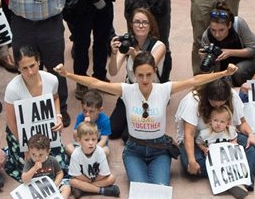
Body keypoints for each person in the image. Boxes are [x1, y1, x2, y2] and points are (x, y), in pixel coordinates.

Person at [56, 59, 237, 185]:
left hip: (159, 150)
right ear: (134, 74)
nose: (144, 80)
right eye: (140, 75)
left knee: (159, 189)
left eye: (149, 75)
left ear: (154, 73)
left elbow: (194, 80)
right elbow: (95, 82)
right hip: (134, 150)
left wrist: (224, 73)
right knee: (141, 190)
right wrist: (67, 74)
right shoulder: (126, 90)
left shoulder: (164, 89)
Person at [106, 6, 168, 139]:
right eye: (137, 22)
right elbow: (112, 72)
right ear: (131, 25)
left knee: (127, 137)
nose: (141, 25)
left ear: (150, 26)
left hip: (148, 92)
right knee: (112, 130)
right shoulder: (127, 43)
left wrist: (134, 54)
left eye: (145, 22)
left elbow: (147, 67)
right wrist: (113, 53)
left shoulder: (159, 46)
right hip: (131, 90)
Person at [5, 46, 67, 170]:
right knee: (30, 167)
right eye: (24, 68)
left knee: (57, 164)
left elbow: (55, 98)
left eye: (32, 65)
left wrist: (58, 116)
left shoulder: (51, 79)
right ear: (18, 68)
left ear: (39, 61)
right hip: (20, 133)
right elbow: (11, 121)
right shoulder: (12, 89)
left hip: (45, 131)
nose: (30, 72)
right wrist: (24, 146)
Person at [196, 4, 255, 84]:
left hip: (250, 59)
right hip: (224, 66)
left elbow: (253, 50)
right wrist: (204, 58)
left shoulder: (238, 24)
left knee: (238, 72)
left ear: (229, 25)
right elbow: (208, 70)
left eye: (221, 30)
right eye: (213, 30)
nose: (217, 34)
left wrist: (229, 52)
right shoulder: (207, 36)